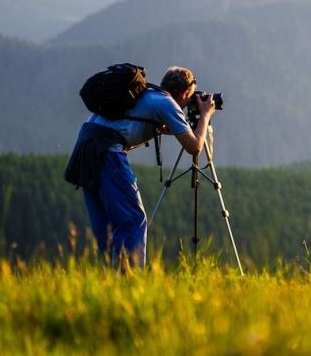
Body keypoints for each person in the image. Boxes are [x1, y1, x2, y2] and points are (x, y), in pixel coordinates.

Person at [65, 66, 216, 267]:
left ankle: (109, 281)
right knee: (132, 219)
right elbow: (194, 147)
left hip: (85, 147)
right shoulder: (167, 103)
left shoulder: (148, 93)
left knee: (107, 226)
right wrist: (205, 115)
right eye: (189, 100)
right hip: (106, 150)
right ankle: (130, 280)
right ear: (184, 93)